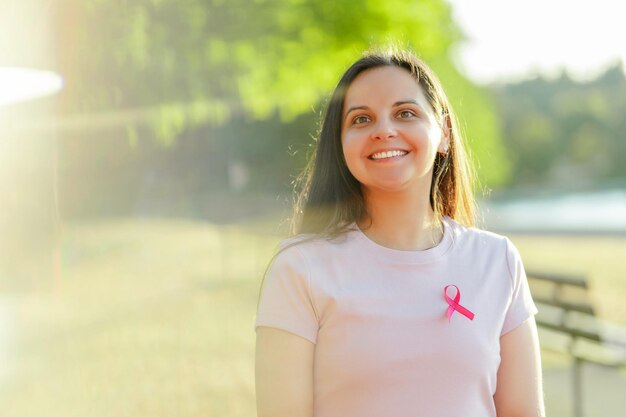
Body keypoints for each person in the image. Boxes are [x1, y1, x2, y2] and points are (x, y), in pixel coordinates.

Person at [255, 48, 545, 417]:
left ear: (443, 133)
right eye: (361, 119)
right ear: (340, 144)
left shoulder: (497, 261)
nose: (384, 131)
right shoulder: (299, 270)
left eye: (405, 113)